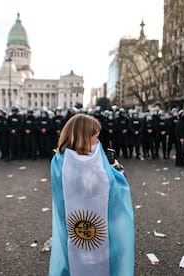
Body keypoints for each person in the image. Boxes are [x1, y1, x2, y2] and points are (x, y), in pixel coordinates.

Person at [50, 114, 134, 276]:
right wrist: (116, 167)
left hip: (71, 222)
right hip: (100, 225)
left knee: (74, 255)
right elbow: (115, 189)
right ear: (85, 136)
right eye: (96, 136)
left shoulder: (59, 159)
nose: (97, 140)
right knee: (102, 256)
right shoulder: (94, 160)